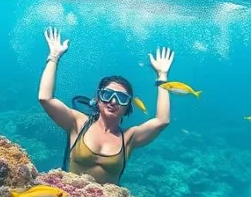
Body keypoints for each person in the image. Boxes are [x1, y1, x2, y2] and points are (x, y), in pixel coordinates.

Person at [38, 26, 174, 185]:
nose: (114, 101)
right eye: (107, 94)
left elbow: (162, 121)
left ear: (128, 106)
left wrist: (162, 76)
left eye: (122, 98)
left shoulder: (129, 138)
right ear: (98, 99)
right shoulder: (78, 123)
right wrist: (54, 57)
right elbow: (45, 98)